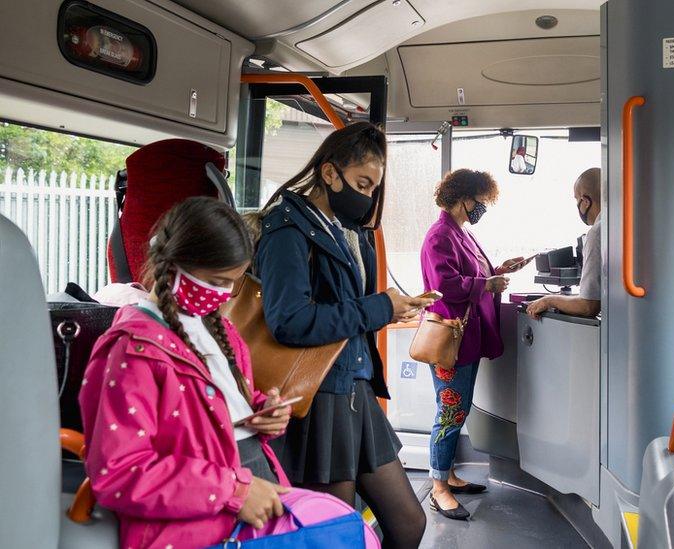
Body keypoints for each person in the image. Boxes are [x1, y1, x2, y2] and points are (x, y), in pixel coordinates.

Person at [79, 197, 379, 548]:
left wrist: (261, 413)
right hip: (199, 521)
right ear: (173, 265)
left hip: (248, 492)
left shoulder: (223, 334)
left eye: (232, 284)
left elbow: (213, 411)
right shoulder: (133, 351)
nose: (223, 297)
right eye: (216, 281)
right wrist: (233, 491)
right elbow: (121, 473)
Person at [256, 122, 430, 548]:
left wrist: (390, 308)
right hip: (322, 401)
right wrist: (381, 308)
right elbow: (290, 321)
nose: (367, 197)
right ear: (329, 174)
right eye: (362, 183)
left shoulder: (345, 230)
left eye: (374, 188)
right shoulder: (287, 229)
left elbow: (347, 310)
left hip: (356, 392)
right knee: (337, 536)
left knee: (409, 523)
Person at [419, 169, 529, 520]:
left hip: (464, 338)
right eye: (479, 202)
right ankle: (438, 488)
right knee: (450, 411)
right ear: (462, 197)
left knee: (459, 408)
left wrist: (497, 270)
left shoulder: (460, 234)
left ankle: (448, 474)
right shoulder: (440, 236)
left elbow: (472, 276)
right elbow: (445, 285)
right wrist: (486, 285)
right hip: (449, 339)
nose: (481, 208)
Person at [527, 167, 602, 319]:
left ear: (586, 202)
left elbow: (589, 306)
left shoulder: (598, 232)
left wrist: (549, 300)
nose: (577, 206)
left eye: (576, 199)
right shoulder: (625, 222)